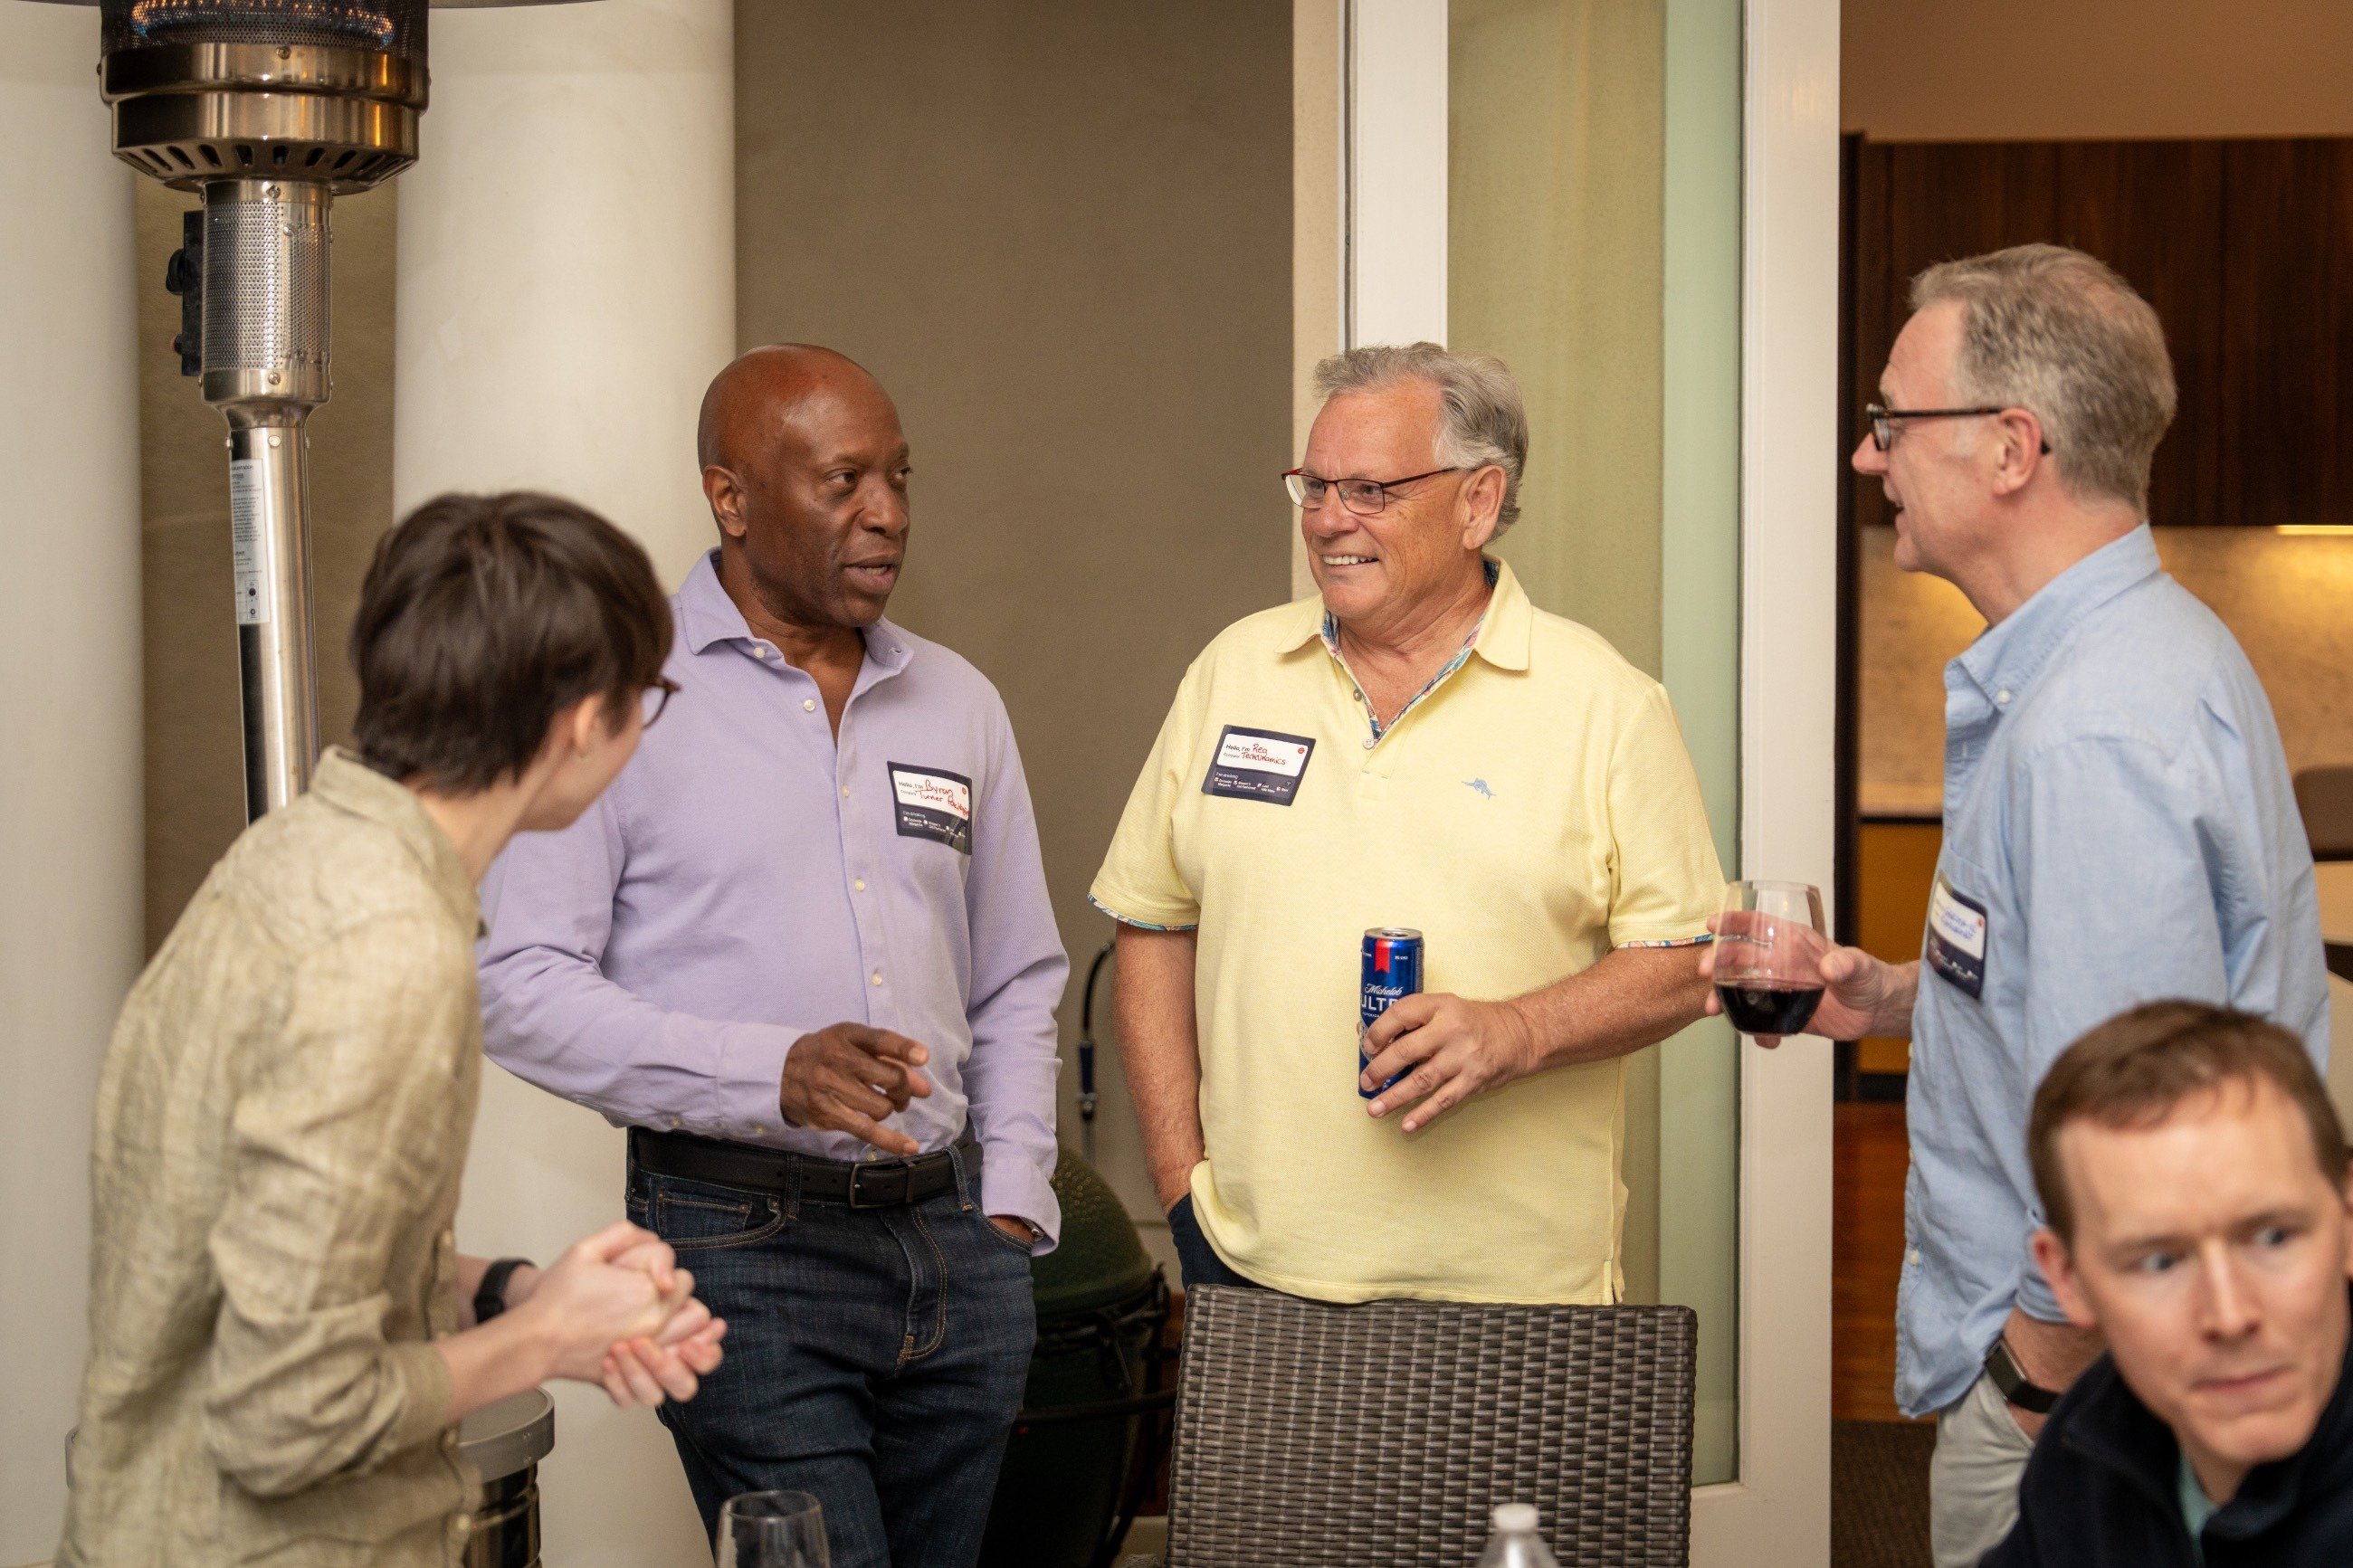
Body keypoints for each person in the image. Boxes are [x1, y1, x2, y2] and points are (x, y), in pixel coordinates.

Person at [1700, 244, 2330, 1566]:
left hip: (2085, 1395)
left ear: (2010, 449)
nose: (1869, 458)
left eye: (1890, 422)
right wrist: (1883, 995)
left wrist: (2034, 1384)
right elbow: (2092, 1004)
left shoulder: (2093, 732)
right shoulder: (2137, 657)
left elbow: (2139, 1129)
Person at [477, 345, 1067, 1568]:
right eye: (844, 479)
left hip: (957, 1249)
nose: (889, 512)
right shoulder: (617, 697)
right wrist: (770, 1071)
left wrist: (1012, 1195)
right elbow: (517, 983)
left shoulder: (960, 704)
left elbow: (1016, 975)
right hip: (745, 1246)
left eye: (901, 477)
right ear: (731, 497)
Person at [60, 492, 727, 1568]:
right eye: (649, 694)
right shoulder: (386, 954)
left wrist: (511, 1289)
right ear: (581, 720)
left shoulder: (299, 856)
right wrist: (547, 1340)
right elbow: (285, 1415)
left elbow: (276, 1250)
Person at [1091, 342, 1725, 1305]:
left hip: (1516, 1292)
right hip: (1253, 1269)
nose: (1328, 520)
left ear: (1478, 499)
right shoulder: (1232, 670)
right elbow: (1150, 919)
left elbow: (1685, 960)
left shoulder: (1604, 702)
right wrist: (1183, 1191)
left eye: (1369, 490)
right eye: (1312, 486)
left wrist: (1516, 1029)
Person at [1984, 1001, 2353, 1566]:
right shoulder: (2089, 1440)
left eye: (2274, 1237)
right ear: (2068, 1278)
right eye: (2160, 1263)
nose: (2229, 1316)